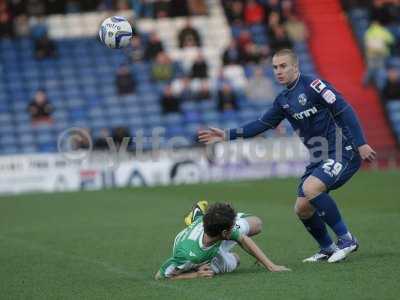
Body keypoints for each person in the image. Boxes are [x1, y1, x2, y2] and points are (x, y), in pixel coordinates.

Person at [199, 49, 377, 263]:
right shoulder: (283, 99)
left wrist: (361, 142)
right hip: (319, 156)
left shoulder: (314, 86)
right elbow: (261, 125)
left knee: (311, 188)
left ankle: (347, 239)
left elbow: (344, 109)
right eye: (275, 67)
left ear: (295, 66)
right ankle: (327, 248)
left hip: (343, 149)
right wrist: (227, 134)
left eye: (283, 66)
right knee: (302, 208)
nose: (278, 71)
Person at [155, 201, 290, 279]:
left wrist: (271, 266)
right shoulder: (187, 254)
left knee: (257, 223)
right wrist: (195, 274)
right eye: (233, 225)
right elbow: (161, 275)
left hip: (213, 237)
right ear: (225, 232)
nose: (234, 227)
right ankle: (195, 218)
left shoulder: (220, 231)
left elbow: (243, 239)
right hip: (202, 255)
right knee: (236, 259)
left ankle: (197, 218)